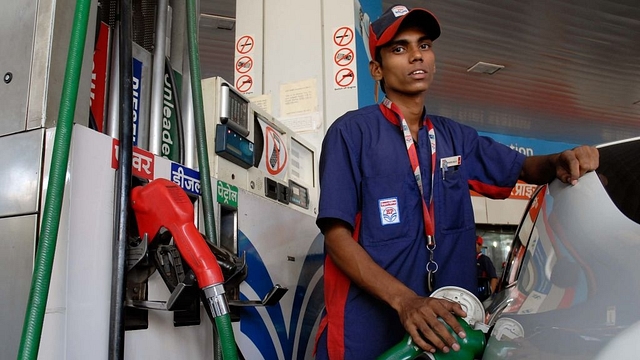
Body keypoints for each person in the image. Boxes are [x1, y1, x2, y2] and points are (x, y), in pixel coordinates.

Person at [314, 4, 599, 360]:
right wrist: (405, 302)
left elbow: (525, 168)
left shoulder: (455, 138)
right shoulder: (351, 133)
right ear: (377, 68)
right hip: (366, 332)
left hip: (449, 335)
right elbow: (336, 236)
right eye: (399, 49)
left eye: (424, 45)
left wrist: (562, 159)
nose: (416, 56)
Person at [476, 236, 498, 301]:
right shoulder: (468, 260)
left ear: (481, 246)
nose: (476, 246)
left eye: (479, 244)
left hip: (482, 294)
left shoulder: (485, 260)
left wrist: (490, 295)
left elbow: (494, 277)